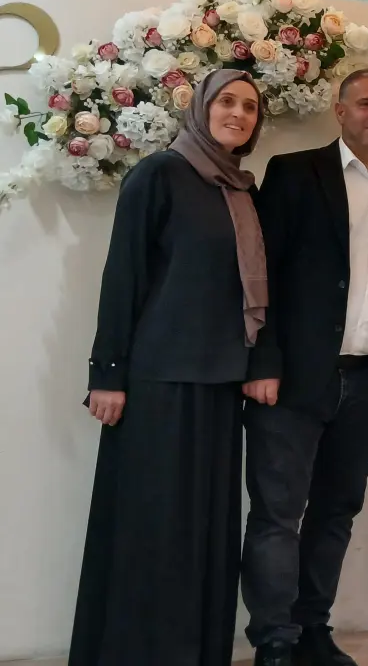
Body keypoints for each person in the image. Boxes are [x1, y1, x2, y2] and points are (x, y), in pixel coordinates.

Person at [67, 69, 267, 666]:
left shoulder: (241, 190)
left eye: (250, 107)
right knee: (152, 528)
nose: (238, 114)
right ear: (200, 107)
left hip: (220, 384)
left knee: (202, 534)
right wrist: (107, 374)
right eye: (226, 101)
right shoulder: (159, 174)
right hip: (159, 384)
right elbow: (122, 275)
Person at [240, 69, 368, 666]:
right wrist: (262, 361)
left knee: (336, 512)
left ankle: (312, 628)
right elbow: (261, 274)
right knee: (277, 515)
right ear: (340, 111)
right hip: (290, 379)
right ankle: (274, 641)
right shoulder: (295, 173)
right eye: (366, 103)